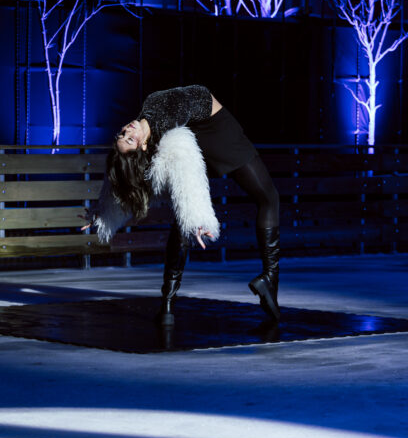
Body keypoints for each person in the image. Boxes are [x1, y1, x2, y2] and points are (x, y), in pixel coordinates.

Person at [83, 85, 281, 325]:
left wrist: (102, 212)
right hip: (217, 129)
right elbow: (186, 179)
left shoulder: (154, 129)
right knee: (269, 198)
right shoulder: (170, 135)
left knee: (182, 220)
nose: (127, 131)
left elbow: (122, 171)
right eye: (129, 139)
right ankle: (270, 278)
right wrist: (197, 219)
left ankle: (167, 304)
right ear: (143, 146)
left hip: (198, 128)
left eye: (123, 134)